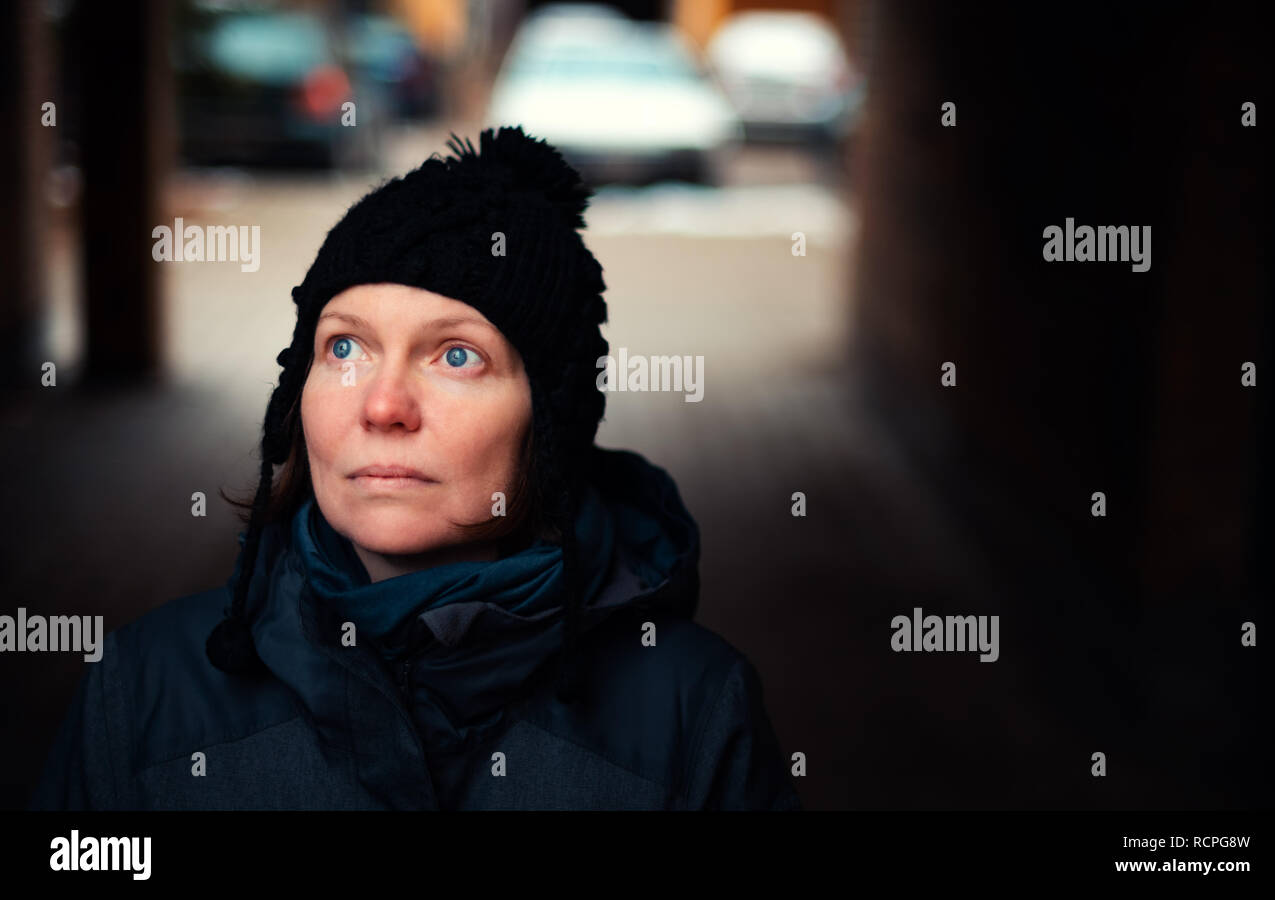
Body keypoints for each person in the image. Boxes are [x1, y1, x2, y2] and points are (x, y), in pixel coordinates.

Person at [28, 126, 801, 810]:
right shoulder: (147, 687)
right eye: (345, 348)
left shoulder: (694, 712)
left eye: (456, 356)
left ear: (552, 425)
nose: (383, 404)